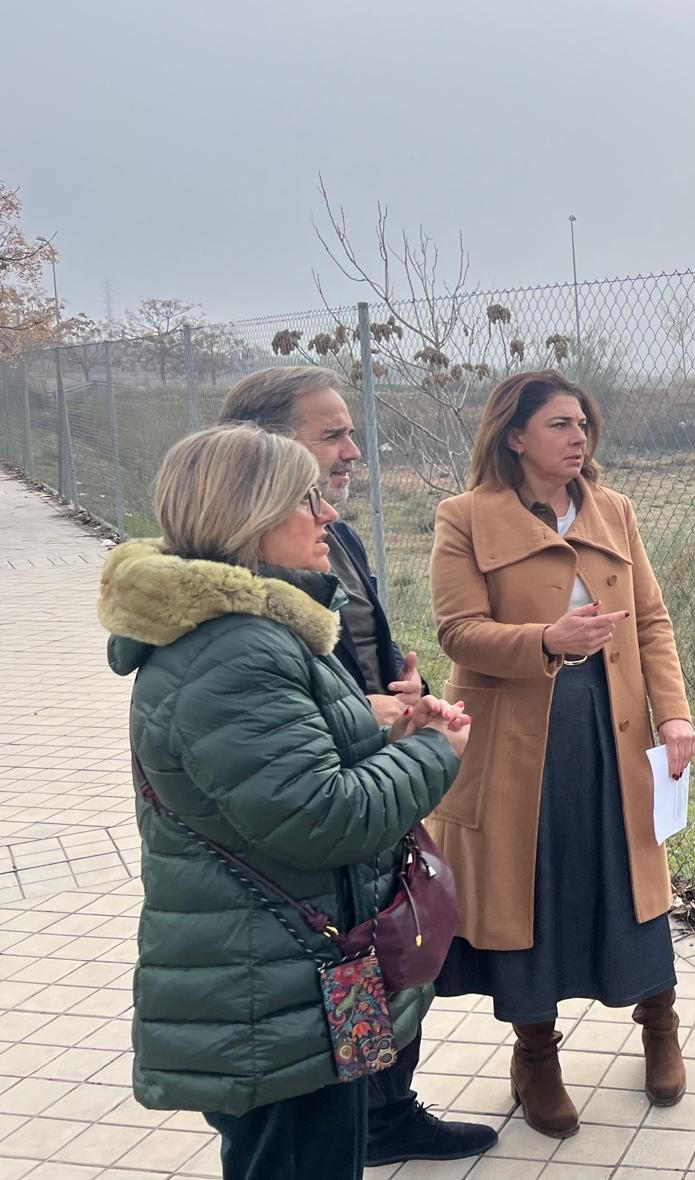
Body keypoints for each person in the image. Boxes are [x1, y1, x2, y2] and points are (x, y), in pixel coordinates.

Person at [99, 424, 471, 1180]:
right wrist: (437, 753)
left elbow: (275, 765)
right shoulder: (236, 646)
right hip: (273, 993)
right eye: (307, 499)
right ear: (251, 514)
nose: (328, 515)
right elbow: (322, 817)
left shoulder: (257, 632)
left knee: (329, 1151)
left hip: (306, 977)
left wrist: (378, 720)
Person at [218, 366, 498, 1165]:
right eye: (332, 433)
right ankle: (369, 1113)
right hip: (343, 799)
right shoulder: (238, 621)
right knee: (345, 988)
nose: (352, 451)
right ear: (267, 448)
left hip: (371, 762)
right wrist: (417, 745)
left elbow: (349, 656)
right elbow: (298, 765)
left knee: (389, 955)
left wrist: (396, 694)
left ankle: (382, 1110)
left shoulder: (327, 532)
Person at [427, 369, 695, 1139]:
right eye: (559, 425)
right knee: (531, 886)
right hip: (515, 740)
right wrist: (545, 640)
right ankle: (535, 1056)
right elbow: (457, 632)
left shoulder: (614, 512)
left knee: (629, 873)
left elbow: (651, 623)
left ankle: (659, 1023)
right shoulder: (464, 517)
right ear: (515, 435)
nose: (579, 436)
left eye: (584, 424)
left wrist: (673, 715)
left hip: (613, 728)